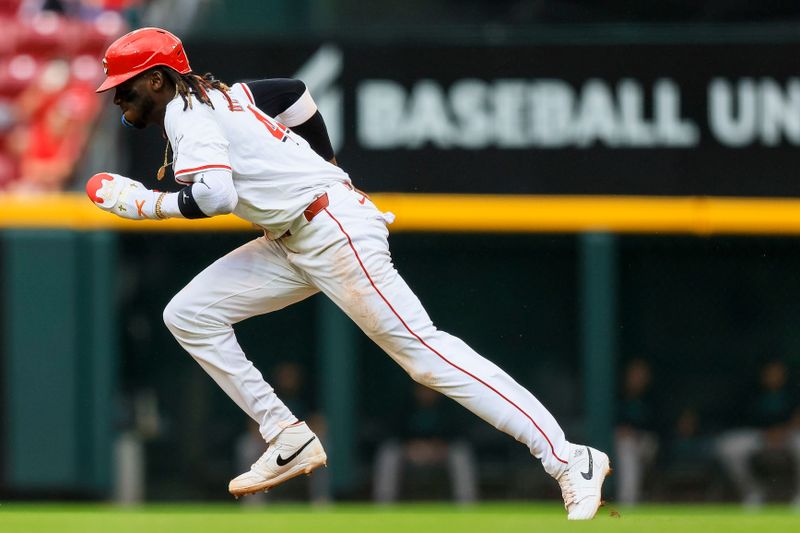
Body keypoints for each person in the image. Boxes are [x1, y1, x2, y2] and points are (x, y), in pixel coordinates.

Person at [86, 27, 610, 520]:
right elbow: (295, 94)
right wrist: (324, 163)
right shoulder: (228, 96)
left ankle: (569, 457)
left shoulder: (187, 113)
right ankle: (287, 434)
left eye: (123, 86)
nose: (117, 99)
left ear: (157, 78)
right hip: (296, 234)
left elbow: (216, 196)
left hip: (328, 228)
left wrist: (148, 204)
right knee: (189, 313)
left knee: (424, 355)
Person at [715, 360, 800, 507]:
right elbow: (741, 419)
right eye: (770, 373)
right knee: (727, 447)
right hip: (758, 435)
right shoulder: (751, 392)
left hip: (789, 435)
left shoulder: (794, 391)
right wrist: (765, 433)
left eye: (777, 373)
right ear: (763, 375)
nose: (774, 377)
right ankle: (753, 493)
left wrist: (784, 430)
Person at [614, 358, 658, 505]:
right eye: (634, 374)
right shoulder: (618, 395)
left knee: (628, 447)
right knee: (626, 446)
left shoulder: (654, 397)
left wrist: (636, 432)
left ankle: (628, 501)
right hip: (623, 444)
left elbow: (660, 427)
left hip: (649, 443)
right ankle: (629, 501)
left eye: (641, 375)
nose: (637, 378)